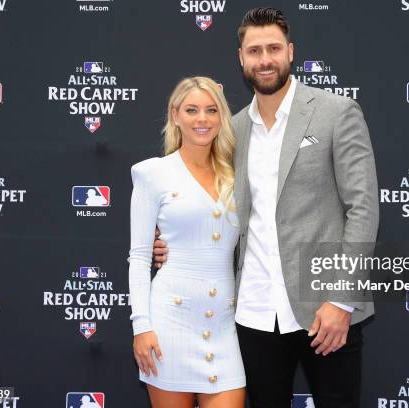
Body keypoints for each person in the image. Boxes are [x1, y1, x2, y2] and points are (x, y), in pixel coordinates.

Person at [154, 8, 378, 408]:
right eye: (254, 50)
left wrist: (342, 300)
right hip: (254, 314)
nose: (265, 59)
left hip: (324, 311)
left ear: (290, 52)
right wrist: (172, 245)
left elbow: (362, 210)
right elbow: (214, 208)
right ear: (241, 58)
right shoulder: (233, 130)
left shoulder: (336, 112)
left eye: (273, 48)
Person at [128, 77, 246, 408]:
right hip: (169, 327)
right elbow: (139, 257)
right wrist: (142, 327)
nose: (202, 119)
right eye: (192, 110)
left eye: (211, 110)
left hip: (224, 327)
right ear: (175, 115)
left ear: (221, 117)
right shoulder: (154, 174)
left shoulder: (238, 175)